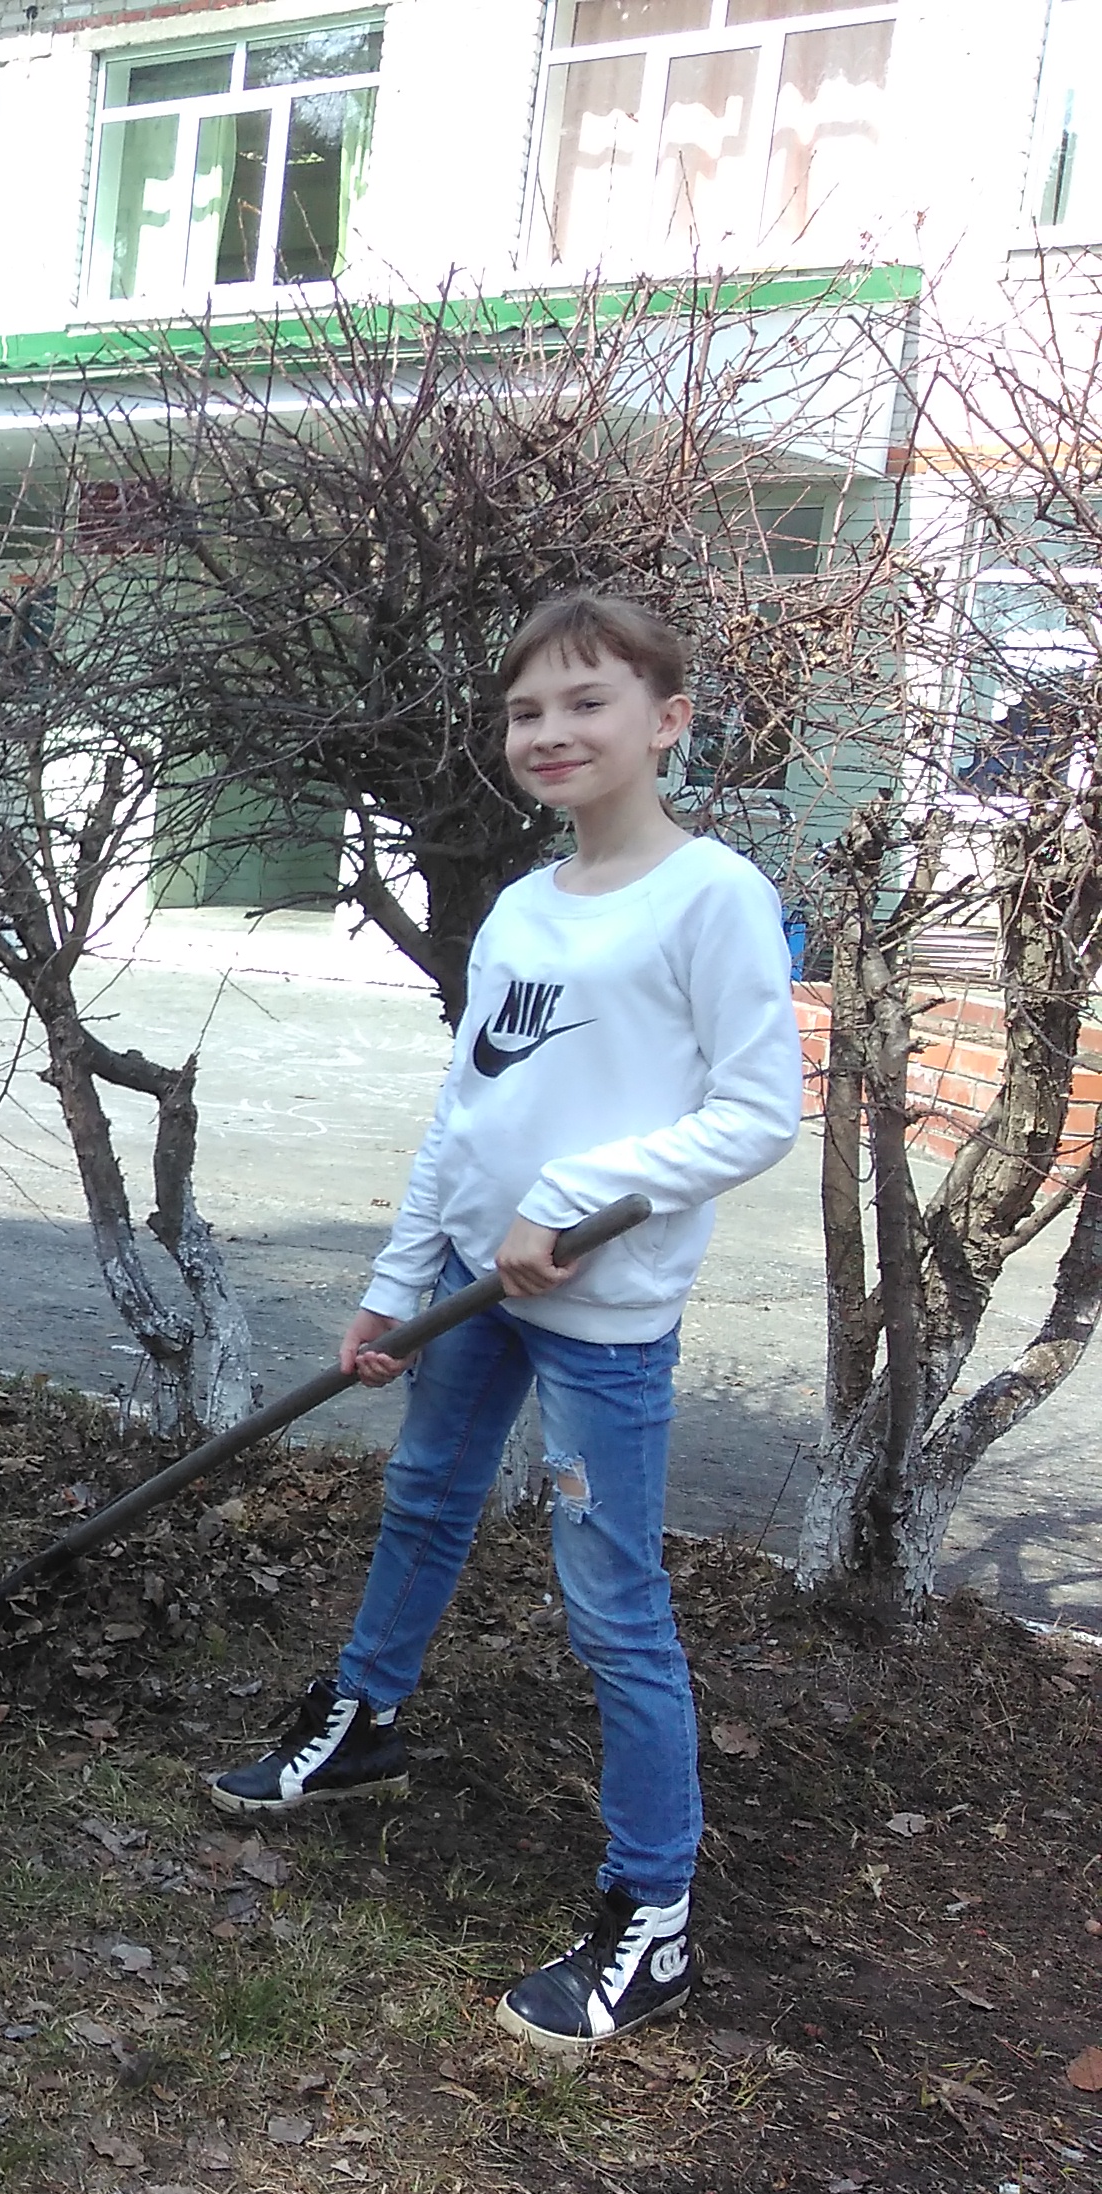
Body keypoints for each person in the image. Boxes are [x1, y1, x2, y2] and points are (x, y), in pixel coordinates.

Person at [205, 595, 804, 2055]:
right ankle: (366, 1721)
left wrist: (575, 1197)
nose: (550, 732)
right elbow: (467, 1115)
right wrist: (400, 1280)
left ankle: (653, 1915)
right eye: (528, 710)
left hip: (600, 1315)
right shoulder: (531, 906)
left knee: (612, 1604)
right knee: (423, 1499)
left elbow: (759, 1113)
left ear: (668, 720)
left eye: (587, 702)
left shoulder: (713, 896)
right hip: (475, 1293)